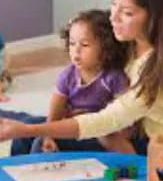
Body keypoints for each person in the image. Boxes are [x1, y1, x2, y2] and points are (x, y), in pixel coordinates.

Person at [0, 0, 163, 158]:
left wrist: (30, 130)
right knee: (29, 134)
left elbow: (107, 121)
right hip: (139, 134)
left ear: (154, 17)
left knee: (37, 138)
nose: (113, 17)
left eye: (126, 13)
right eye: (114, 6)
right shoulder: (132, 45)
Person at [12, 9, 133, 155]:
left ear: (106, 48)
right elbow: (55, 113)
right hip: (70, 124)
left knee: (39, 141)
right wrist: (49, 134)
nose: (76, 51)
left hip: (97, 132)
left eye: (85, 45)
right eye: (72, 43)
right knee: (26, 126)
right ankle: (12, 169)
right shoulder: (68, 76)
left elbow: (125, 118)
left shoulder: (113, 78)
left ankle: (36, 174)